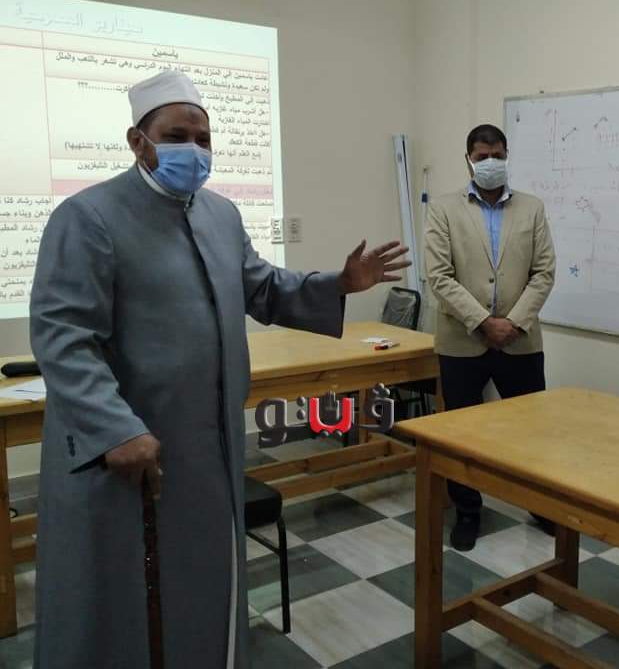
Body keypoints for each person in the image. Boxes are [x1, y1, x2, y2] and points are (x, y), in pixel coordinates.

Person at [30, 70, 410, 669]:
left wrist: (339, 283)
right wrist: (115, 428)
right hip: (133, 455)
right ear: (137, 141)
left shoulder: (220, 215)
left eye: (203, 138)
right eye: (176, 137)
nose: (194, 150)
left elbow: (263, 288)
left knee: (206, 590)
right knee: (128, 607)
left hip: (210, 450)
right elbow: (63, 334)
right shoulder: (88, 217)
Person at [424, 123, 556, 550]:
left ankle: (539, 504)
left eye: (497, 155)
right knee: (461, 432)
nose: (490, 163)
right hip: (462, 341)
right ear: (468, 160)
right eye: (482, 157)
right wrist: (483, 321)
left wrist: (512, 322)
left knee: (531, 430)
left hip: (520, 340)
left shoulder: (532, 208)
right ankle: (467, 512)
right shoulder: (443, 209)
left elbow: (543, 272)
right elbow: (439, 276)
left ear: (507, 155)